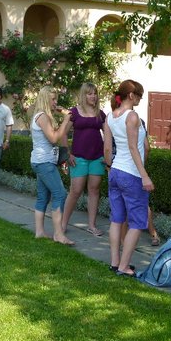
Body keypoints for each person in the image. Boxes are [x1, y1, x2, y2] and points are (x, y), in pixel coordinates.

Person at [103, 79, 154, 276]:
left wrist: (109, 168)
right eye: (139, 95)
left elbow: (107, 148)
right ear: (131, 96)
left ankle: (115, 263)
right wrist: (145, 176)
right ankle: (124, 267)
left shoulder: (109, 117)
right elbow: (134, 148)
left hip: (115, 172)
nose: (141, 98)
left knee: (116, 220)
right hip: (131, 174)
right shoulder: (132, 116)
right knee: (137, 222)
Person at [61, 83, 107, 237]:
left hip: (97, 158)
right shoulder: (74, 112)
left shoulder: (100, 114)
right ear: (83, 95)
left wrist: (107, 156)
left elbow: (108, 136)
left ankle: (92, 226)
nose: (93, 96)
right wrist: (68, 154)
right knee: (75, 191)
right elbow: (62, 133)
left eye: (95, 93)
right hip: (78, 157)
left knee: (94, 191)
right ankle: (62, 224)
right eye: (89, 94)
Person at [30, 86, 74, 245]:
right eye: (53, 99)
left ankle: (40, 232)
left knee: (43, 196)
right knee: (60, 194)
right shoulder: (42, 117)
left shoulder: (44, 116)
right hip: (44, 162)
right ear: (45, 100)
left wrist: (65, 121)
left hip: (42, 161)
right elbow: (54, 138)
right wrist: (66, 120)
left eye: (56, 99)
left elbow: (60, 136)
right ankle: (58, 234)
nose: (56, 102)